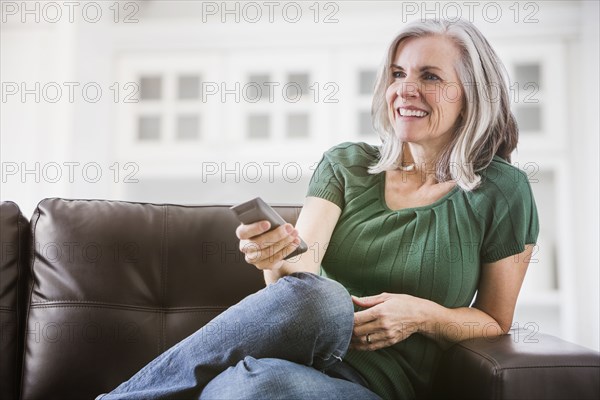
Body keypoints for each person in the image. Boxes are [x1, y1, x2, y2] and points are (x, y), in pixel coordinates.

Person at [97, 18, 538, 400]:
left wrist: (420, 314)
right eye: (397, 73)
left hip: (372, 386)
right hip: (294, 355)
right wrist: (277, 257)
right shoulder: (347, 164)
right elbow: (301, 277)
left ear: (472, 94)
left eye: (430, 77)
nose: (405, 89)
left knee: (249, 386)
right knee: (319, 300)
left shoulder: (501, 190)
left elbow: (495, 321)